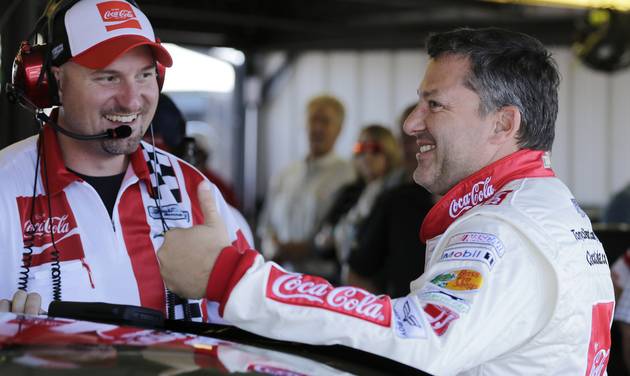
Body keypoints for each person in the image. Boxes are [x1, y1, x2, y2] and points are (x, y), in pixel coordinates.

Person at [158, 27, 615, 374]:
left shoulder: (505, 226)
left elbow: (417, 336)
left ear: (502, 123)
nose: (412, 123)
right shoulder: (543, 204)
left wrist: (232, 277)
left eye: (434, 105)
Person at [0, 0, 246, 321]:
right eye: (108, 78)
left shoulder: (195, 190)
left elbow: (256, 323)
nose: (132, 100)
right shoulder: (5, 185)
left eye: (144, 75)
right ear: (54, 81)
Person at [346, 105, 435, 296]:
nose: (411, 146)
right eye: (404, 139)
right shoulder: (394, 200)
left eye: (421, 136)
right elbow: (357, 273)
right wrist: (391, 316)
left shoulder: (476, 198)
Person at [257, 95, 355, 268]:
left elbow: (345, 232)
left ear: (339, 129)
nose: (317, 128)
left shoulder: (349, 175)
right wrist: (274, 250)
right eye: (313, 120)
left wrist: (308, 249)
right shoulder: (285, 174)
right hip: (280, 276)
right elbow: (266, 227)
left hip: (324, 282)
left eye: (325, 121)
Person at [309, 124, 403, 282]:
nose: (366, 156)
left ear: (390, 152)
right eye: (361, 149)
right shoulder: (349, 193)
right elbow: (321, 244)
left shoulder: (396, 194)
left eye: (374, 149)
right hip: (344, 279)